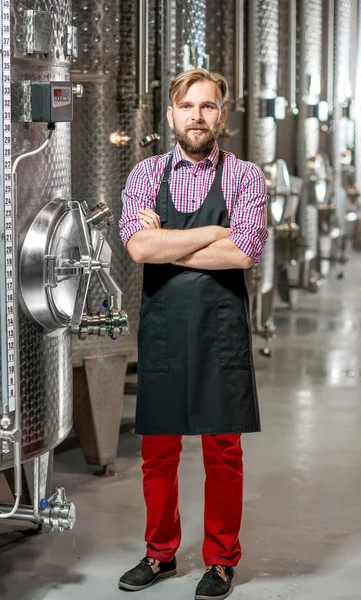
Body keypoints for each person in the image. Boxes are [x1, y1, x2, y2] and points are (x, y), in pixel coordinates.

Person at [118, 68, 268, 600]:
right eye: (188, 107)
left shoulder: (246, 176)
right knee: (158, 451)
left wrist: (170, 240)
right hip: (162, 333)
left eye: (207, 107)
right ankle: (159, 554)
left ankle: (221, 560)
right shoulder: (144, 174)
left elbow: (244, 253)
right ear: (171, 115)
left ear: (221, 116)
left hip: (219, 333)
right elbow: (138, 249)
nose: (197, 117)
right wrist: (212, 232)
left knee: (221, 450)